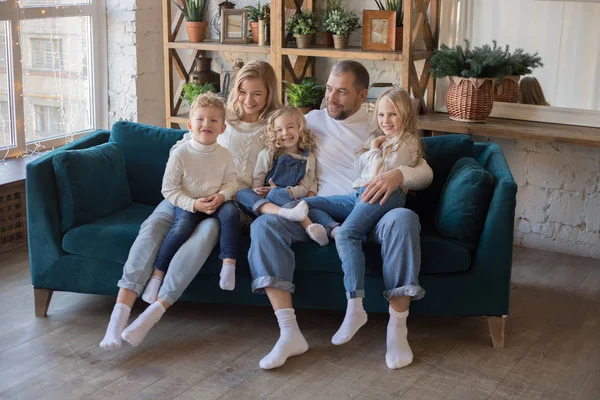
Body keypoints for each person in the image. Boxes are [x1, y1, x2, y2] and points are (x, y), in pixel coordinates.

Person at [248, 60, 433, 370]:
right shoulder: (312, 120)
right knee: (266, 224)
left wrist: (398, 174)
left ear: (363, 96)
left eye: (342, 92)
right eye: (329, 89)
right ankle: (289, 332)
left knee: (404, 219)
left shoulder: (379, 124)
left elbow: (424, 169)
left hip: (370, 211)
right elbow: (271, 130)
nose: (331, 98)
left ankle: (397, 329)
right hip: (318, 213)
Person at [99, 60, 281, 350]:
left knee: (203, 238)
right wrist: (189, 194)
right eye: (243, 91)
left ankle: (153, 313)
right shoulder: (219, 118)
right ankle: (116, 320)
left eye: (258, 93)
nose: (248, 100)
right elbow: (186, 146)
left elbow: (281, 168)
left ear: (270, 93)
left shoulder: (274, 129)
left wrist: (266, 187)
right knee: (152, 229)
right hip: (184, 195)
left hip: (225, 204)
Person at [304, 88, 423, 348]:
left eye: (393, 114)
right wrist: (374, 147)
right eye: (381, 114)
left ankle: (355, 306)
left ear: (405, 116)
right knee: (306, 204)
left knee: (350, 234)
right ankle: (332, 229)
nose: (386, 120)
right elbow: (361, 169)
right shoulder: (380, 139)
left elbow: (383, 171)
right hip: (358, 195)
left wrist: (373, 150)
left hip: (385, 194)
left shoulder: (406, 142)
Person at [140, 93, 239, 309]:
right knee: (180, 229)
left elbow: (232, 182)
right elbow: (169, 189)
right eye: (200, 119)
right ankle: (157, 276)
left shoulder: (225, 154)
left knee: (232, 213)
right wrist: (193, 204)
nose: (206, 124)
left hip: (217, 201)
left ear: (222, 128)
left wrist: (222, 196)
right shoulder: (181, 154)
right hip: (189, 202)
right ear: (190, 125)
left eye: (214, 120)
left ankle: (228, 264)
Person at [236, 106, 327, 246]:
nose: (285, 133)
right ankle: (303, 222)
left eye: (290, 127)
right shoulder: (268, 154)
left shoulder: (308, 157)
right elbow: (257, 180)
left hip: (289, 199)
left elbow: (304, 187)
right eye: (279, 130)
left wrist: (287, 191)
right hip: (266, 202)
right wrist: (257, 190)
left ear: (300, 128)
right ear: (273, 133)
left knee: (277, 193)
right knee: (242, 193)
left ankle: (309, 226)